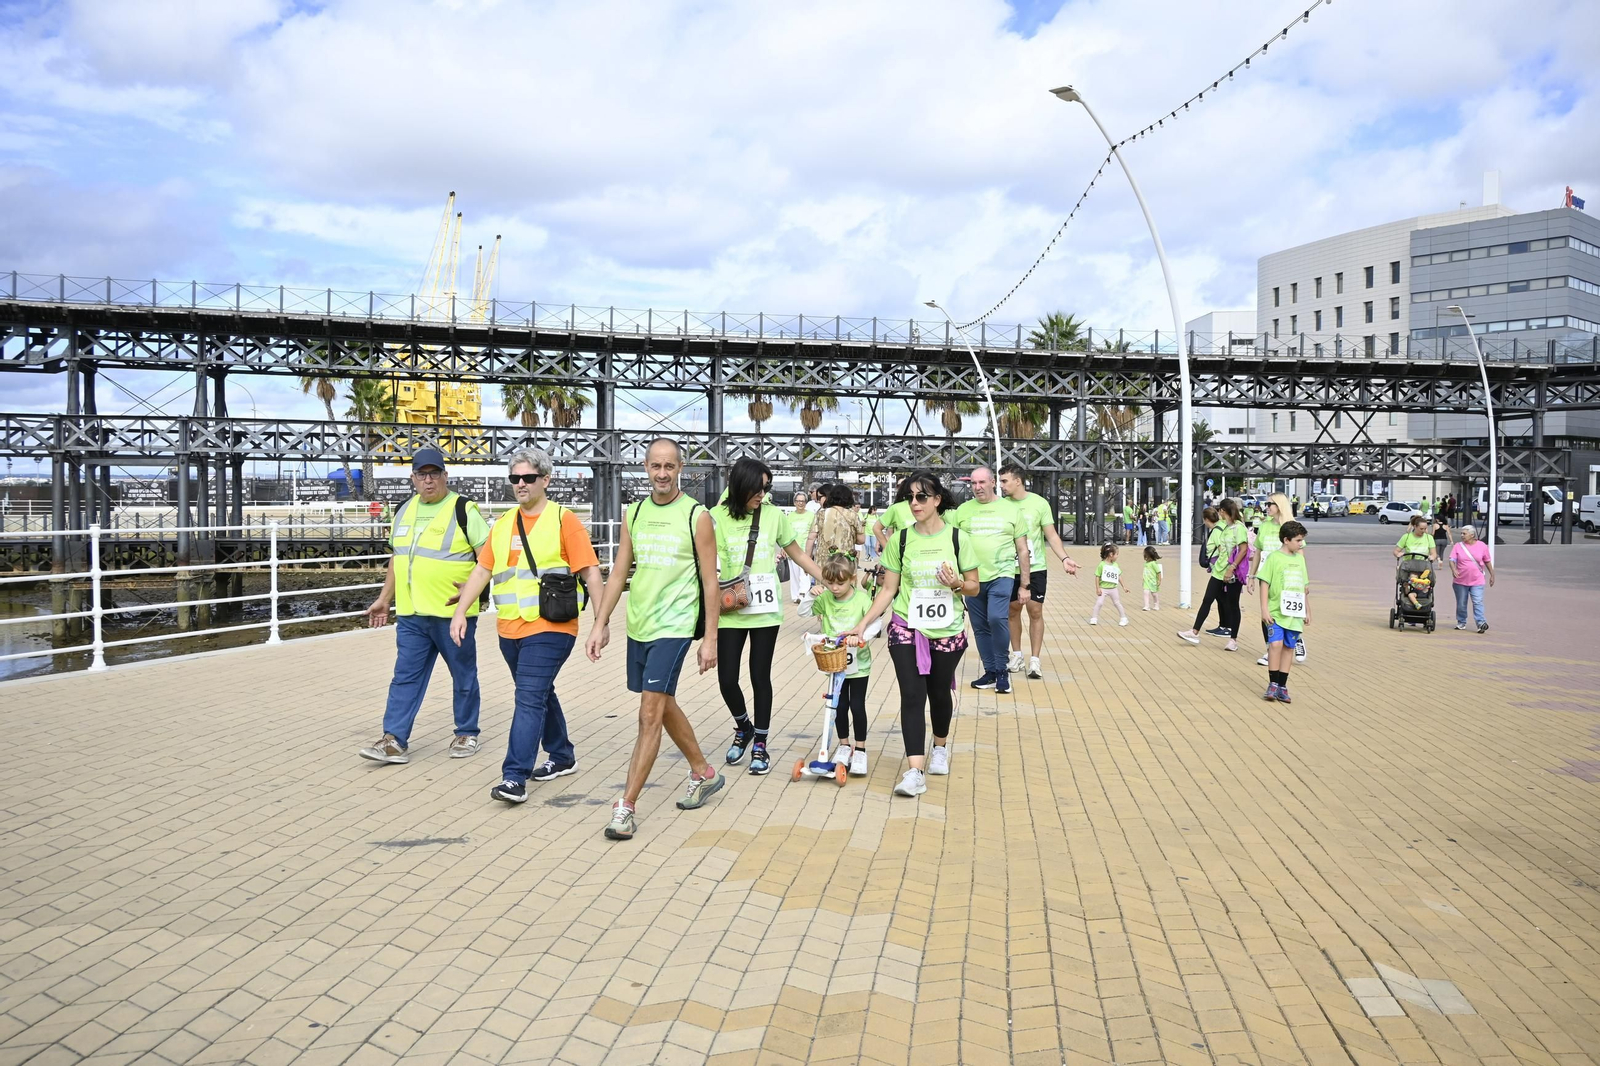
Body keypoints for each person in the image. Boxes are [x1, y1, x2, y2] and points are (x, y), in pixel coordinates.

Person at [585, 438, 726, 841]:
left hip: (676, 625)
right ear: (644, 468)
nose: (662, 474)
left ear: (680, 468)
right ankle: (702, 771)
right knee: (662, 706)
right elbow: (618, 573)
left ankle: (625, 806)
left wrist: (710, 638)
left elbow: (709, 580)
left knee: (648, 714)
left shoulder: (696, 516)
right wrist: (600, 623)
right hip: (640, 623)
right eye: (655, 467)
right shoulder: (635, 513)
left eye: (669, 467)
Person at [447, 449, 601, 803]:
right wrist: (461, 612)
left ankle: (513, 777)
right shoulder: (502, 523)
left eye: (528, 478)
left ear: (545, 480)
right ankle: (562, 756)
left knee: (528, 698)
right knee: (539, 693)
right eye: (515, 478)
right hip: (509, 630)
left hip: (552, 627)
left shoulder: (564, 520)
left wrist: (600, 623)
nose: (520, 484)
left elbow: (591, 572)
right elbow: (483, 569)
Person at [844, 470, 978, 799]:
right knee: (912, 696)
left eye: (921, 497)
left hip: (946, 631)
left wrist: (956, 584)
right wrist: (863, 624)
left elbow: (974, 587)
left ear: (936, 500)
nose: (914, 503)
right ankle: (915, 771)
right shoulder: (902, 539)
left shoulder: (959, 538)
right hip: (906, 627)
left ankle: (941, 746)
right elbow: (888, 590)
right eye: (910, 497)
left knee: (939, 694)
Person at [359, 447, 490, 765]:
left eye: (434, 474)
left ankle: (467, 732)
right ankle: (393, 739)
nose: (428, 480)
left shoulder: (463, 509)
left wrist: (472, 591)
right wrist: (384, 599)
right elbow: (398, 559)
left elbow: (488, 556)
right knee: (404, 676)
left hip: (451, 614)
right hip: (411, 614)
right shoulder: (403, 509)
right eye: (422, 474)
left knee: (463, 674)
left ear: (445, 476)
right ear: (413, 478)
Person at [712, 457, 825, 775]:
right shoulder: (716, 517)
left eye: (766, 488)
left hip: (765, 612)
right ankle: (743, 726)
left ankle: (760, 743)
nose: (762, 494)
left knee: (759, 676)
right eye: (756, 488)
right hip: (731, 609)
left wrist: (827, 579)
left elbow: (799, 554)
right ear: (740, 486)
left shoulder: (774, 515)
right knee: (726, 679)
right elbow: (705, 564)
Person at [950, 466, 1030, 694]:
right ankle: (991, 672)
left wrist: (1024, 584)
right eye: (974, 484)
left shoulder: (1011, 510)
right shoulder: (963, 511)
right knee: (980, 627)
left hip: (1002, 574)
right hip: (972, 578)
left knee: (996, 618)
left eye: (982, 482)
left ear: (993, 482)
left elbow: (1023, 550)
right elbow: (952, 546)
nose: (977, 488)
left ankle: (1003, 670)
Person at [997, 463, 1079, 680]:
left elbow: (1051, 535)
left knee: (1035, 612)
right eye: (1000, 481)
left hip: (1035, 567)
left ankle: (1035, 660)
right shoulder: (1001, 505)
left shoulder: (1039, 503)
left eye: (1005, 481)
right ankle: (1016, 655)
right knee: (1011, 612)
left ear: (1018, 480)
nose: (1002, 486)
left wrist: (1065, 558)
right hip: (1008, 567)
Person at [808, 552, 877, 776]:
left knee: (857, 705)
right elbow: (802, 612)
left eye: (841, 583)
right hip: (835, 663)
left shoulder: (862, 600)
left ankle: (861, 750)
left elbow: (877, 623)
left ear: (852, 579)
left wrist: (863, 636)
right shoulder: (825, 598)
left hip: (859, 665)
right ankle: (844, 745)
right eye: (830, 583)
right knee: (838, 706)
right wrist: (811, 595)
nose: (835, 588)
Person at [1176, 498, 1247, 652]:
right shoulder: (1225, 527)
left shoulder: (1238, 528)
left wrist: (1232, 567)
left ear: (1223, 511)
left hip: (1232, 572)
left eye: (1219, 510)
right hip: (1219, 571)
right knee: (1207, 599)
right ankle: (1194, 632)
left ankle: (1233, 640)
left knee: (1233, 605)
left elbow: (1243, 549)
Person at [1257, 520, 1310, 704]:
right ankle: (1272, 683)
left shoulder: (1300, 559)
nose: (1301, 544)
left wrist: (1307, 610)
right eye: (1298, 540)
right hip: (1276, 612)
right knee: (1275, 645)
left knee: (1289, 647)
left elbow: (1304, 586)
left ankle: (1282, 686)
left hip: (1295, 614)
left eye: (1302, 540)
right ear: (1286, 540)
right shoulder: (1274, 558)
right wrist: (1264, 608)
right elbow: (1264, 583)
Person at [1250, 493, 1301, 667]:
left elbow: (1300, 554)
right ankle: (1270, 648)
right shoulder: (1264, 526)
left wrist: (1304, 582)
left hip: (1287, 579)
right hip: (1266, 576)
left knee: (1287, 611)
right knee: (1267, 613)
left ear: (1279, 505)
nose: (1267, 507)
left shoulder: (1290, 527)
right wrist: (1251, 575)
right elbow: (1257, 552)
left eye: (1269, 504)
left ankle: (1295, 639)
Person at [1448, 524, 1494, 633]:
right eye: (1461, 533)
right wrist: (1453, 569)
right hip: (1460, 580)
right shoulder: (1458, 546)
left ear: (1472, 535)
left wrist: (1492, 574)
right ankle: (1461, 621)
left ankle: (1480, 622)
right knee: (1461, 603)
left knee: (1477, 601)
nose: (1462, 535)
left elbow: (1487, 560)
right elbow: (1452, 560)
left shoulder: (1482, 546)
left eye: (1464, 533)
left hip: (1477, 580)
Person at [807, 482, 865, 562]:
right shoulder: (853, 515)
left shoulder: (821, 514)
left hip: (824, 560)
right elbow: (861, 540)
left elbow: (811, 537)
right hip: (845, 561)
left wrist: (808, 558)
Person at [1089, 543, 1130, 626]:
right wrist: (1097, 588)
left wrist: (1124, 587)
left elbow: (1119, 576)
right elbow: (1097, 576)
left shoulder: (1115, 565)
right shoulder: (1102, 565)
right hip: (1103, 588)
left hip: (1113, 588)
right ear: (1111, 554)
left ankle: (1123, 618)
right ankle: (1094, 618)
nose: (1117, 556)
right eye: (1117, 554)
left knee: (1117, 603)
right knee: (1099, 603)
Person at [788, 491, 817, 604]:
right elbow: (786, 533)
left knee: (805, 573)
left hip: (806, 550)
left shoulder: (811, 516)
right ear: (794, 502)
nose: (800, 503)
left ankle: (803, 594)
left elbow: (813, 532)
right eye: (798, 501)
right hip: (792, 549)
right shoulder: (790, 516)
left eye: (803, 501)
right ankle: (795, 596)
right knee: (794, 574)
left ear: (806, 502)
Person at [1142, 545, 1162, 611]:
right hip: (1146, 581)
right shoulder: (1146, 563)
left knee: (1154, 594)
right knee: (1145, 592)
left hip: (1153, 581)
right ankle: (1146, 606)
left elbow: (1158, 572)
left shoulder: (1153, 563)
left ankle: (1156, 604)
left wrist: (1159, 580)